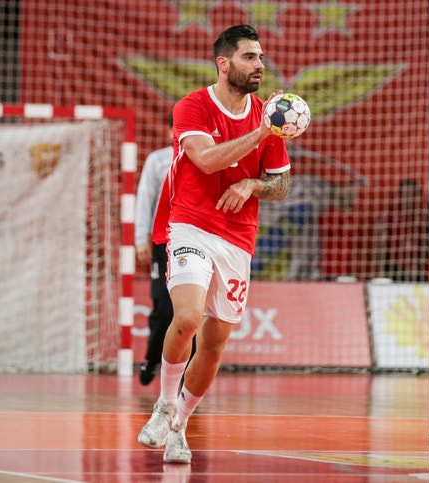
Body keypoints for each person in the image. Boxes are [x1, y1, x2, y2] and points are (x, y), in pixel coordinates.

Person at [137, 24, 291, 464]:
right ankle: (164, 406)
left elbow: (281, 185)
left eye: (260, 57)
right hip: (189, 225)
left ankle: (179, 428)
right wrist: (263, 133)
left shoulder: (268, 112)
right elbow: (203, 160)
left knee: (216, 341)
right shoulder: (193, 106)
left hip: (237, 238)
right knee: (185, 318)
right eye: (249, 57)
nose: (259, 65)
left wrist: (252, 186)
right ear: (223, 63)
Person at [135, 115, 175, 386]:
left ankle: (183, 374)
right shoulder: (158, 160)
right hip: (163, 243)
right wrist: (140, 239)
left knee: (192, 311)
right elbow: (144, 198)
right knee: (164, 305)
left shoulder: (205, 157)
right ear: (171, 129)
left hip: (196, 243)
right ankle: (152, 357)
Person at [375, 178, 428, 282]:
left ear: (417, 195)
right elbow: (379, 245)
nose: (408, 198)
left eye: (412, 194)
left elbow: (424, 246)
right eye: (405, 194)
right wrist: (380, 271)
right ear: (400, 195)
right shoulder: (388, 216)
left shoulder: (422, 218)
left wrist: (420, 268)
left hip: (416, 267)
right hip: (392, 267)